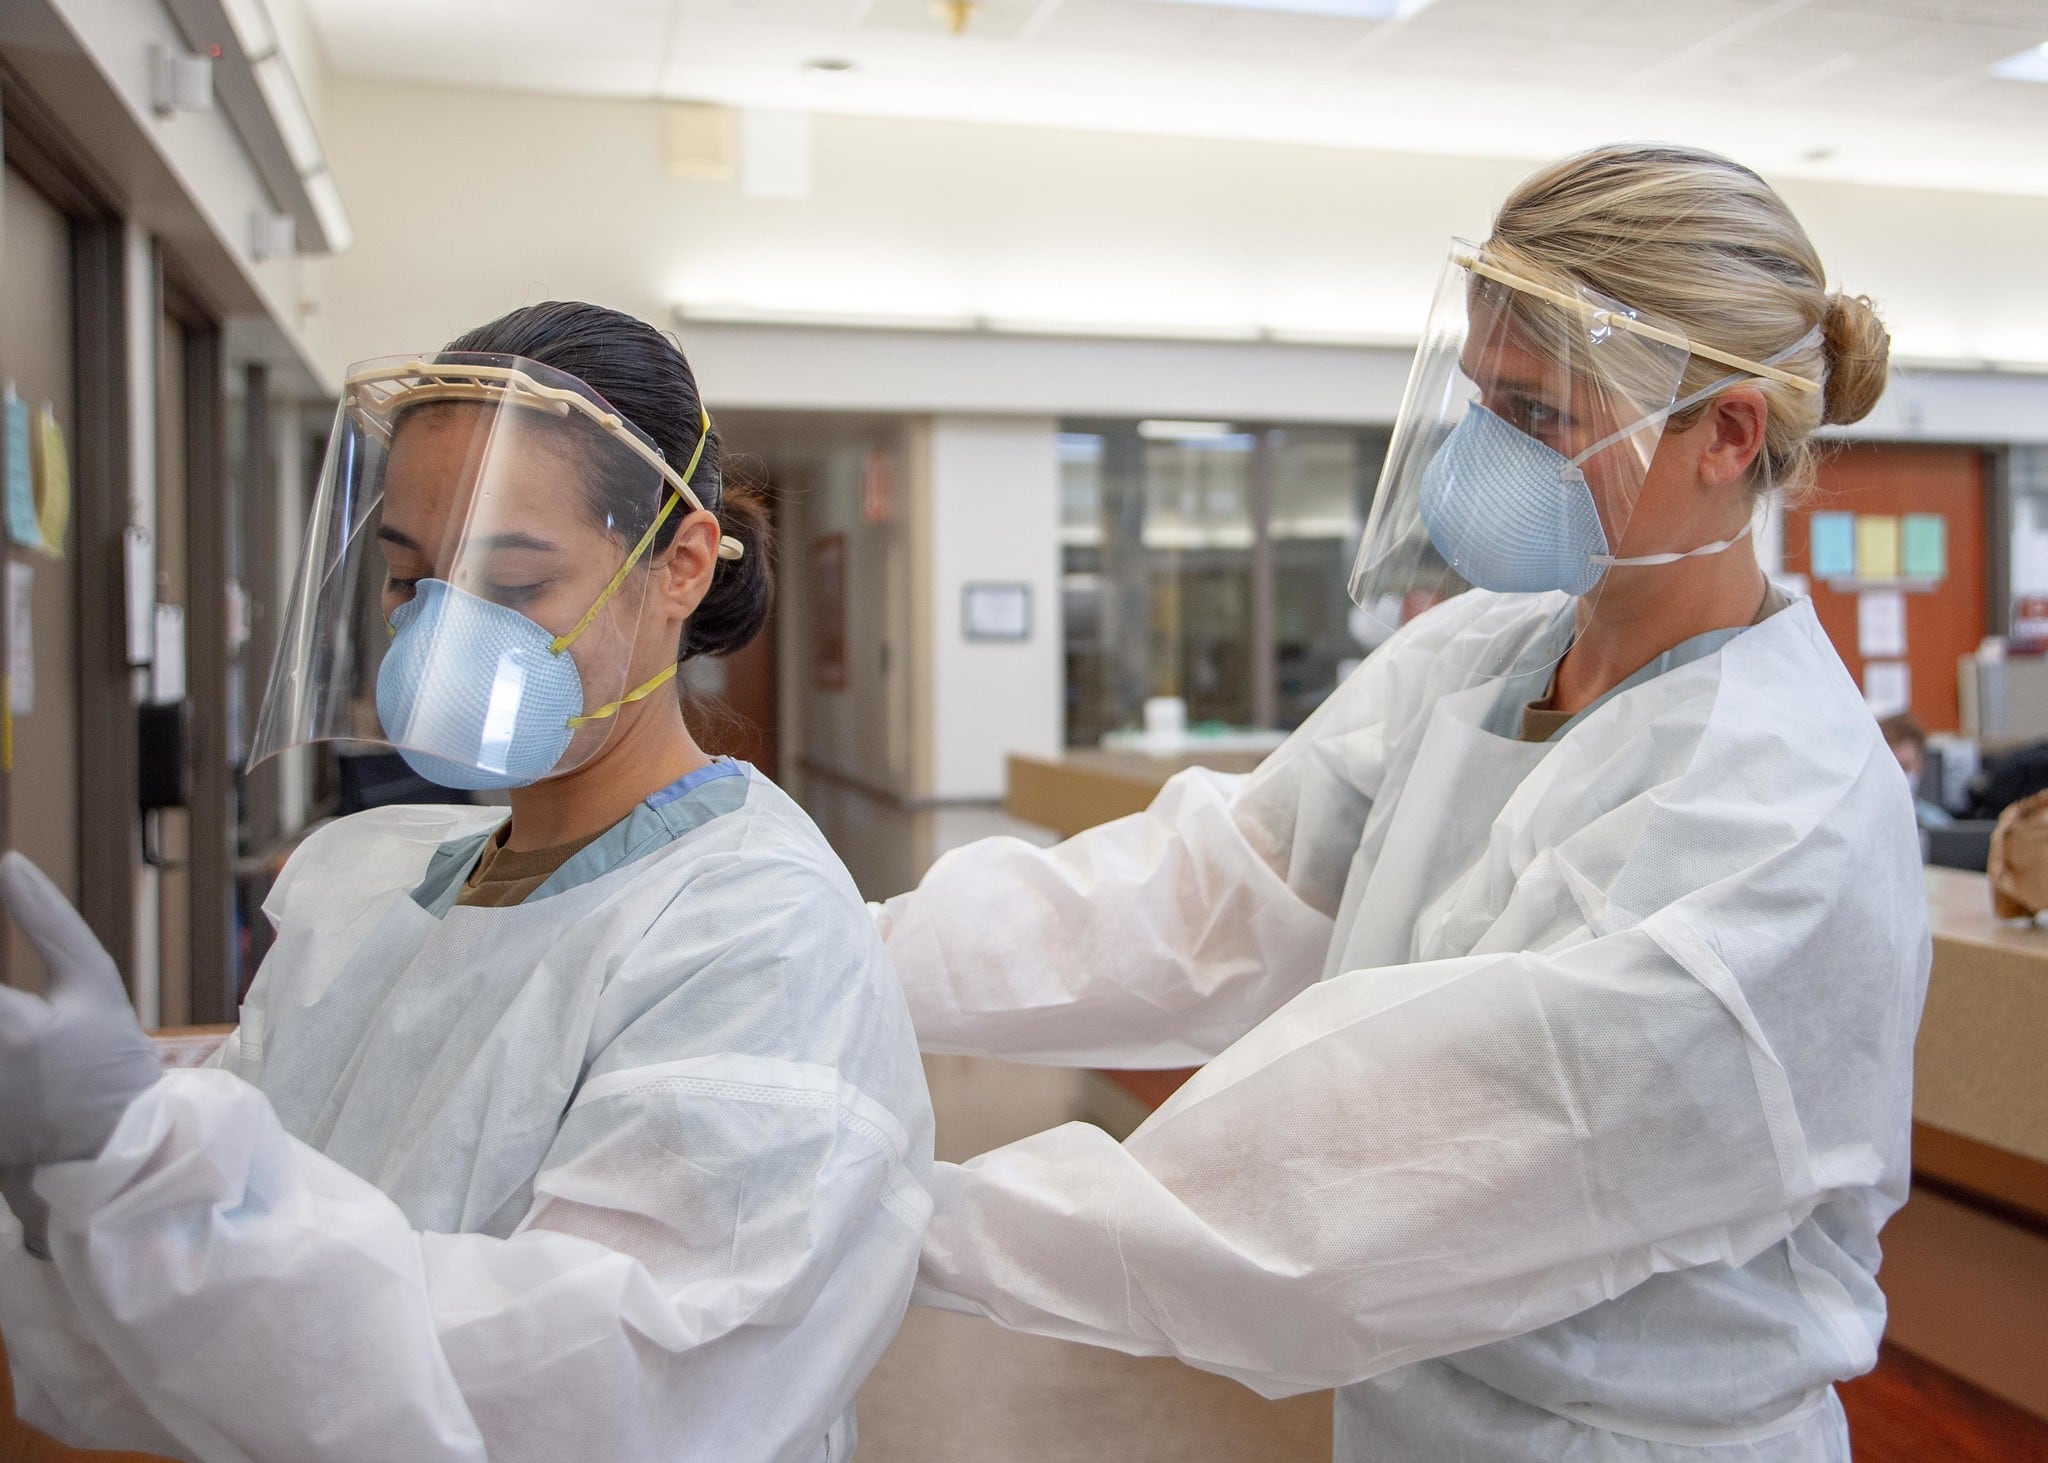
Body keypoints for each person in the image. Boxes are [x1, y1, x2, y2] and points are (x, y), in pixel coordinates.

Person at [876, 145, 1928, 1461]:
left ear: (1725, 432)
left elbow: (1355, 1179)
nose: (1486, 453)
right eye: (1480, 399)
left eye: (1539, 417)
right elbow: (1205, 895)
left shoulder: (1779, 811)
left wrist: (883, 1224)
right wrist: (834, 957)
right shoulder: (1482, 656)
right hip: (1415, 1415)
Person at [0, 303, 933, 1463]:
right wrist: (70, 1198)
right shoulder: (364, 882)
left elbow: (612, 1395)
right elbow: (199, 1337)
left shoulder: (754, 933)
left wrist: (142, 1179)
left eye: (514, 583)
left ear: (680, 564)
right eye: (411, 581)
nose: (441, 639)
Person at [1879, 712, 1955, 828]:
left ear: (1920, 765)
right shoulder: (1857, 825)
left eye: (1905, 767)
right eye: (1892, 768)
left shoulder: (1940, 825)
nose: (1899, 776)